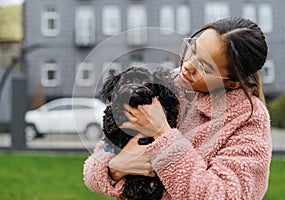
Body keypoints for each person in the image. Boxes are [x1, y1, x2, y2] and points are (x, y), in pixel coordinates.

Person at [83, 17, 272, 200]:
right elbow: (97, 163)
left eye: (205, 67)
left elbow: (226, 195)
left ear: (232, 84)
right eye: (193, 49)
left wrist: (162, 133)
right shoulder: (160, 85)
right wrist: (115, 169)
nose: (188, 65)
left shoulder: (248, 119)